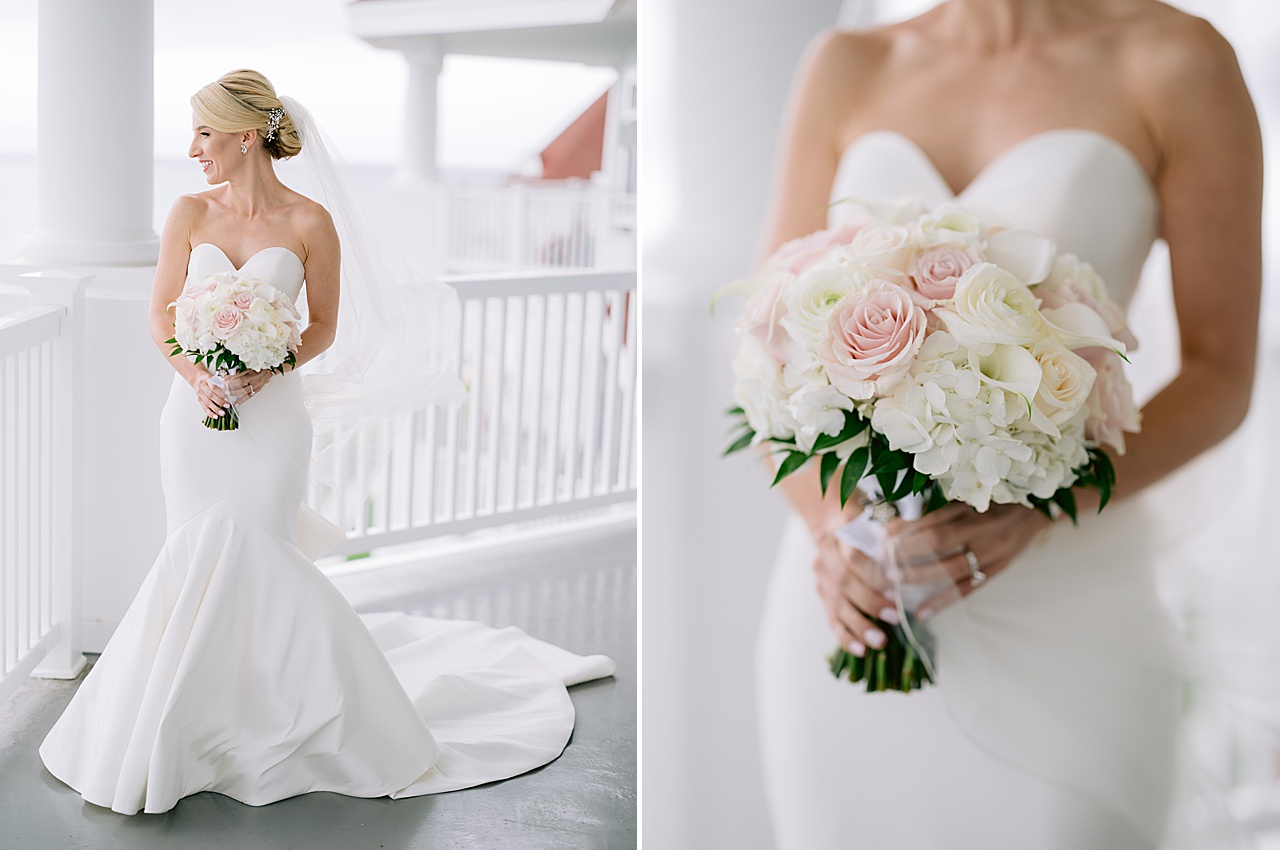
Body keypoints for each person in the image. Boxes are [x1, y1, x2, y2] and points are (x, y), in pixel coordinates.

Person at [37, 69, 615, 816]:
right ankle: (183, 724)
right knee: (192, 555)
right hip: (193, 418)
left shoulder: (311, 223)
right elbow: (160, 317)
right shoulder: (187, 212)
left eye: (204, 133)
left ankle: (279, 722)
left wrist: (262, 366)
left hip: (272, 417)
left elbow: (323, 327)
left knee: (264, 553)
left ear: (247, 136)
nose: (193, 149)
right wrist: (200, 375)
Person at [753, 1, 1262, 847]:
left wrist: (1041, 506)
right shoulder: (845, 64)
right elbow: (765, 349)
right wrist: (837, 529)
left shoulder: (1176, 59)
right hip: (856, 600)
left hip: (1072, 605)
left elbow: (1222, 371)